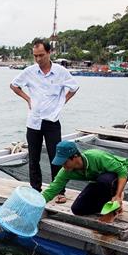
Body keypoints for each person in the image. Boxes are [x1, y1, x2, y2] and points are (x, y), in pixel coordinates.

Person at [10, 38, 79, 200]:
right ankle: (35, 190)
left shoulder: (61, 71)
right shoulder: (30, 71)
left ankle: (59, 191)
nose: (38, 59)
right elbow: (14, 85)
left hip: (52, 121)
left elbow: (74, 87)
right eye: (35, 56)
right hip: (34, 121)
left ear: (49, 53)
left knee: (57, 158)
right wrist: (27, 98)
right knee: (33, 159)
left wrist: (62, 102)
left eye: (41, 55)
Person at [41, 141, 128, 221]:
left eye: (65, 162)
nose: (63, 166)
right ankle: (105, 205)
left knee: (104, 180)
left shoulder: (96, 156)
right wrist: (36, 203)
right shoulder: (66, 171)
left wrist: (117, 195)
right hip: (99, 179)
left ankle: (114, 207)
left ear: (75, 157)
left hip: (123, 169)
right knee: (77, 209)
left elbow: (122, 171)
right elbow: (52, 189)